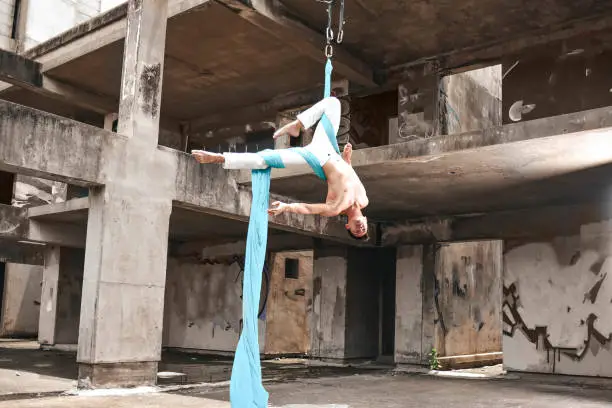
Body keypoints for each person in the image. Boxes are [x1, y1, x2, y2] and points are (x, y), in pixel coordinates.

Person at [192, 97, 369, 240]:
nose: (359, 228)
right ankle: (297, 125)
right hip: (330, 148)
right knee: (333, 103)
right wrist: (347, 160)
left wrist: (286, 207)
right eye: (363, 229)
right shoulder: (364, 199)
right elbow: (350, 177)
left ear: (348, 226)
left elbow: (308, 209)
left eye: (356, 231)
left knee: (265, 159)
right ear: (366, 221)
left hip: (317, 157)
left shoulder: (335, 207)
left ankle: (219, 158)